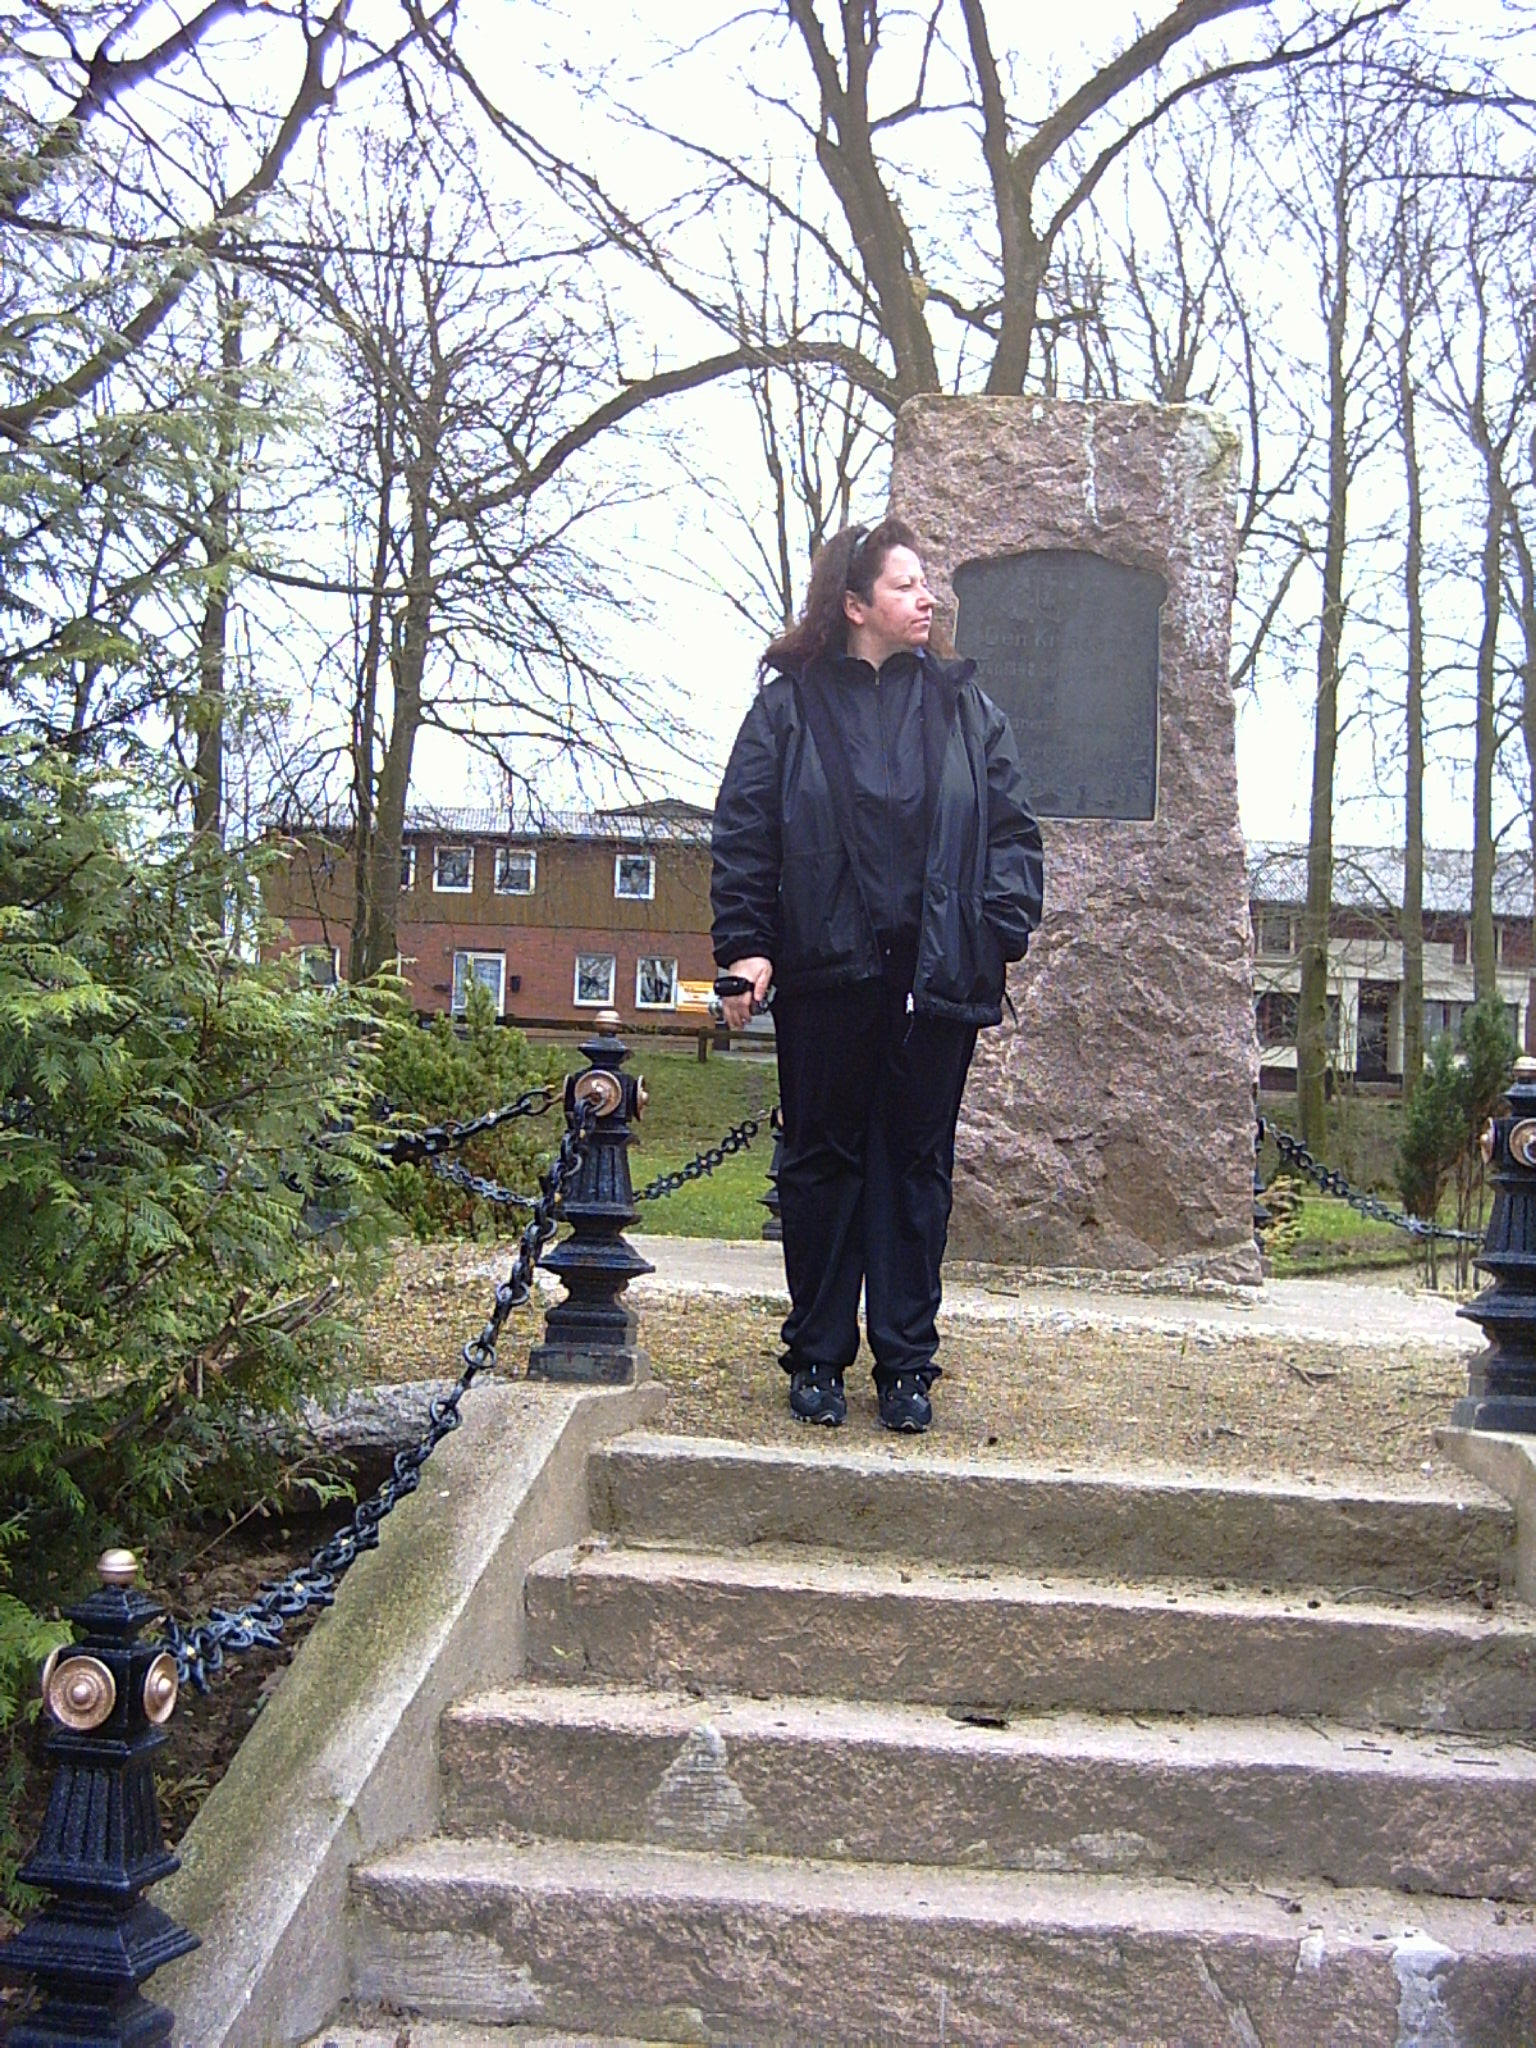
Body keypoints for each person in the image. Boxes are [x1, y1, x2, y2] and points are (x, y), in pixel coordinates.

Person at [711, 517, 1043, 1433]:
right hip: (827, 974)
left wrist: (1000, 929)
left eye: (925, 583)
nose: (926, 598)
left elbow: (1013, 831)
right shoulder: (788, 710)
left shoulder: (967, 710)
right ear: (856, 605)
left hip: (936, 981)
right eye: (905, 585)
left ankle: (906, 1365)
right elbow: (745, 832)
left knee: (915, 1170)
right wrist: (746, 945)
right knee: (821, 1166)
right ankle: (817, 1355)